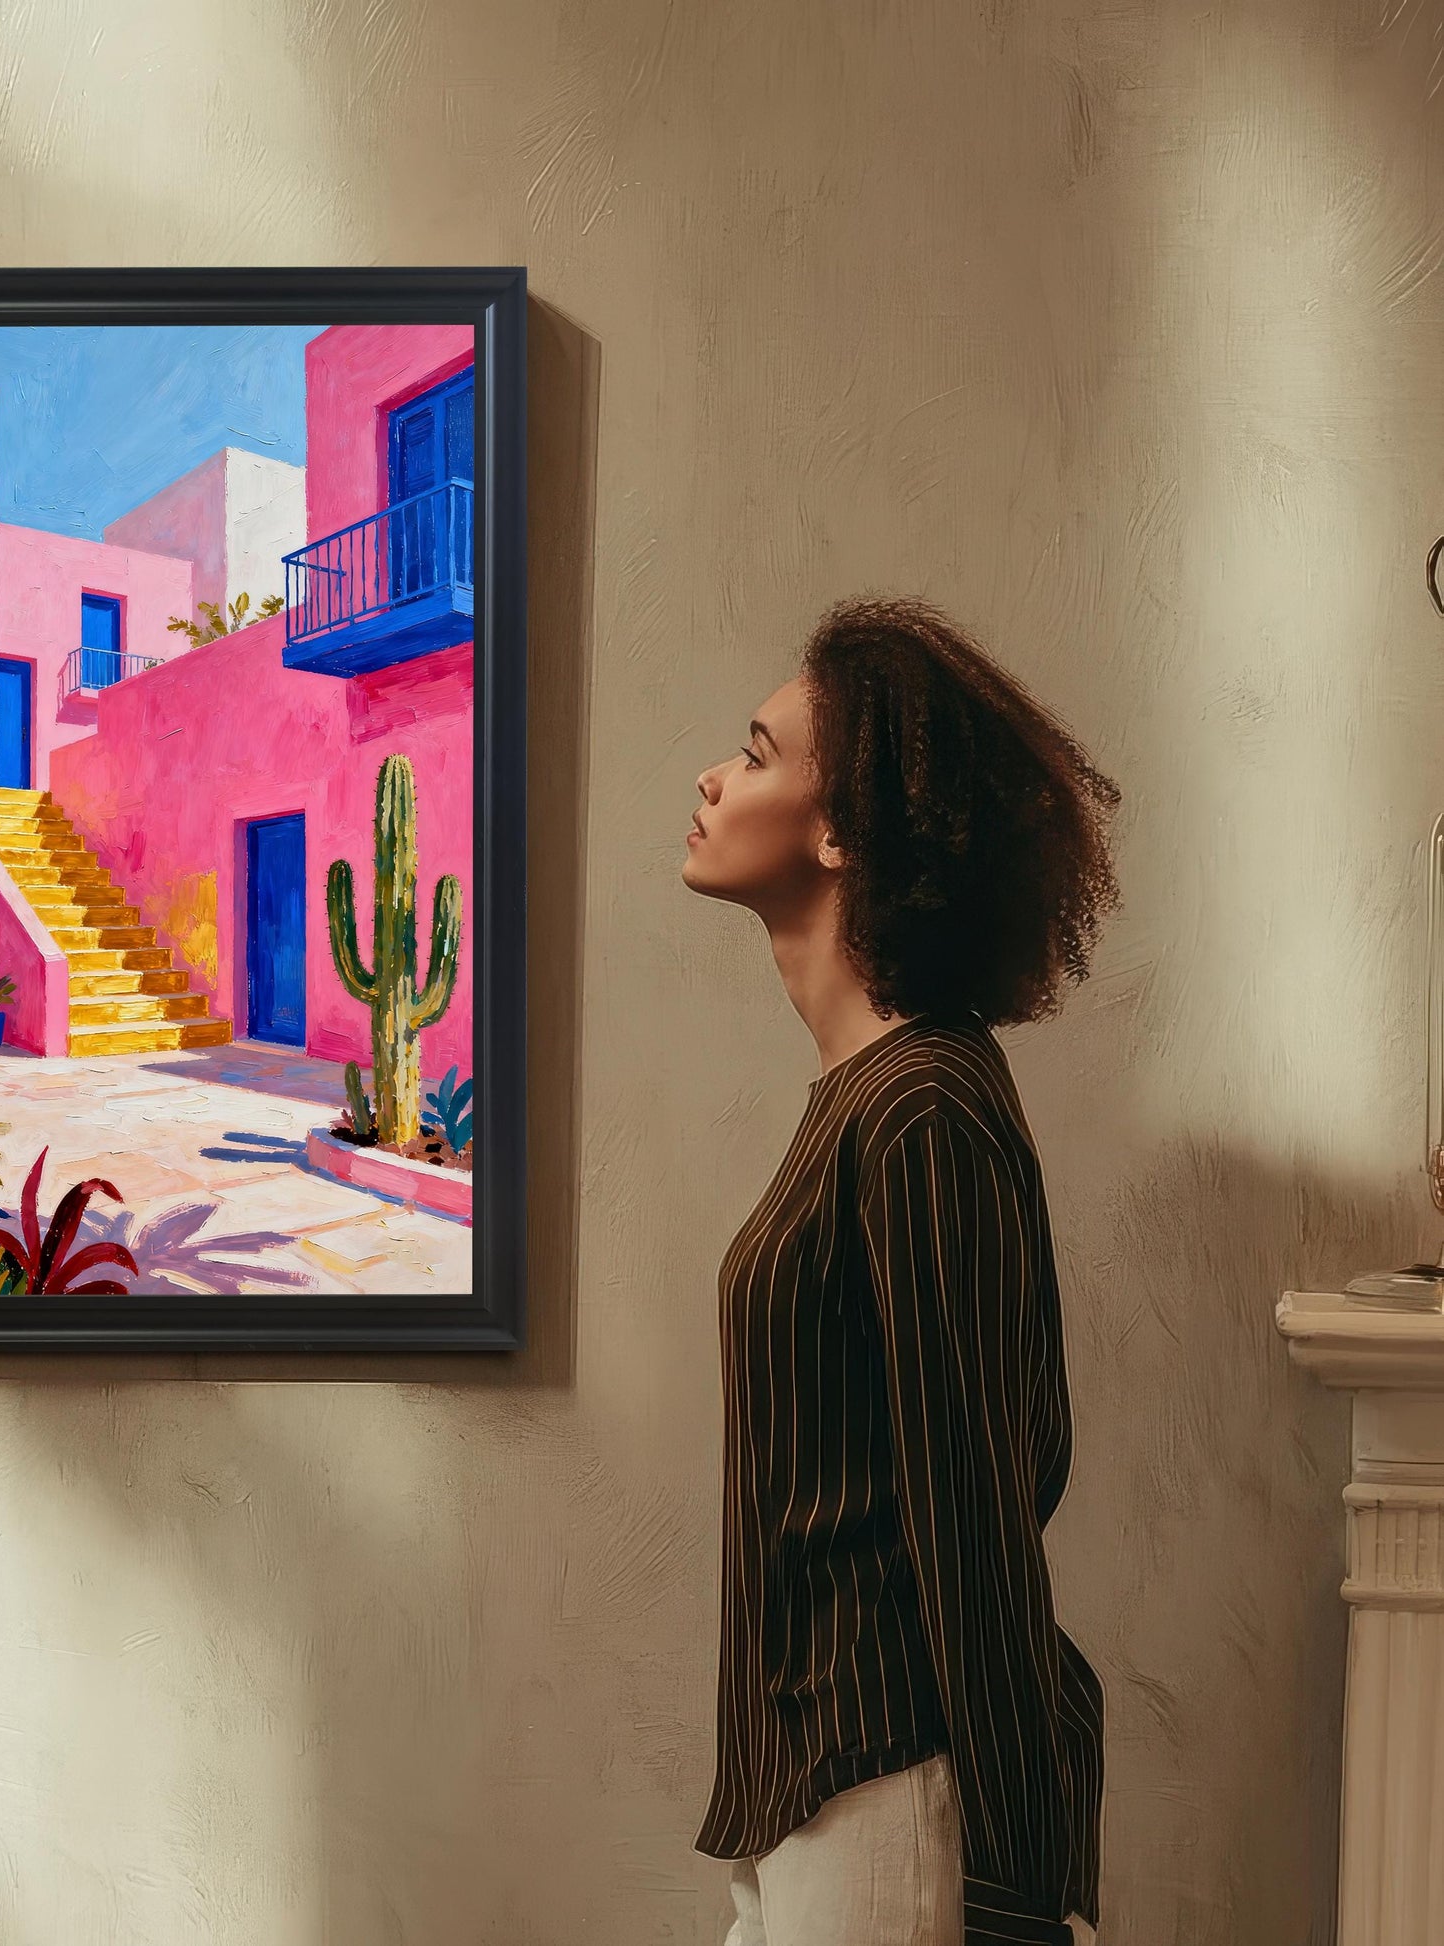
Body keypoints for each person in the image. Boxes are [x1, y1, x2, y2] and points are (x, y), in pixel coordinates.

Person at [682, 597, 1118, 1946]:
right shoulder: (866, 1098)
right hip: (808, 1802)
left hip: (895, 1811)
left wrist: (1009, 1896)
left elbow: (973, 1521)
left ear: (842, 830)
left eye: (755, 751)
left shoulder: (919, 1105)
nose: (711, 774)